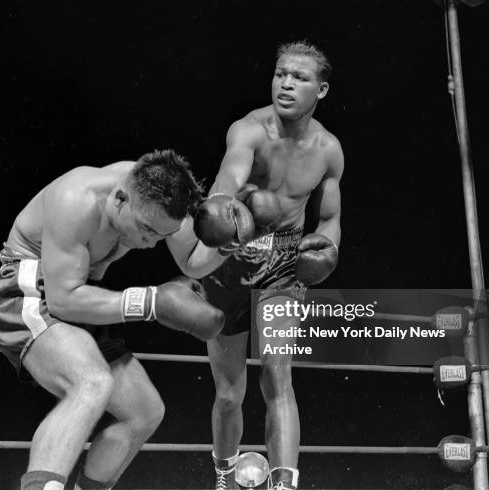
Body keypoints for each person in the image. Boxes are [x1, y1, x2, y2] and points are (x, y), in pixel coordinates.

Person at [0, 149, 224, 490]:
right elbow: (63, 300)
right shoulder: (76, 199)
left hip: (82, 292)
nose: (150, 243)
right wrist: (152, 302)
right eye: (145, 230)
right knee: (91, 382)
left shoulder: (157, 197)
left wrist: (230, 245)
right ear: (120, 198)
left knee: (144, 411)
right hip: (29, 290)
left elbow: (192, 263)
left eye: (161, 235)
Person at [168, 40, 343, 490]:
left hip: (284, 265)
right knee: (229, 395)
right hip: (232, 258)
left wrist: (325, 254)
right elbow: (226, 185)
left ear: (320, 90)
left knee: (277, 374)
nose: (286, 83)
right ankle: (225, 479)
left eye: (299, 77)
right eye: (281, 73)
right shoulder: (248, 131)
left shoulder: (328, 150)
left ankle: (283, 485)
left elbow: (328, 219)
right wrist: (230, 221)